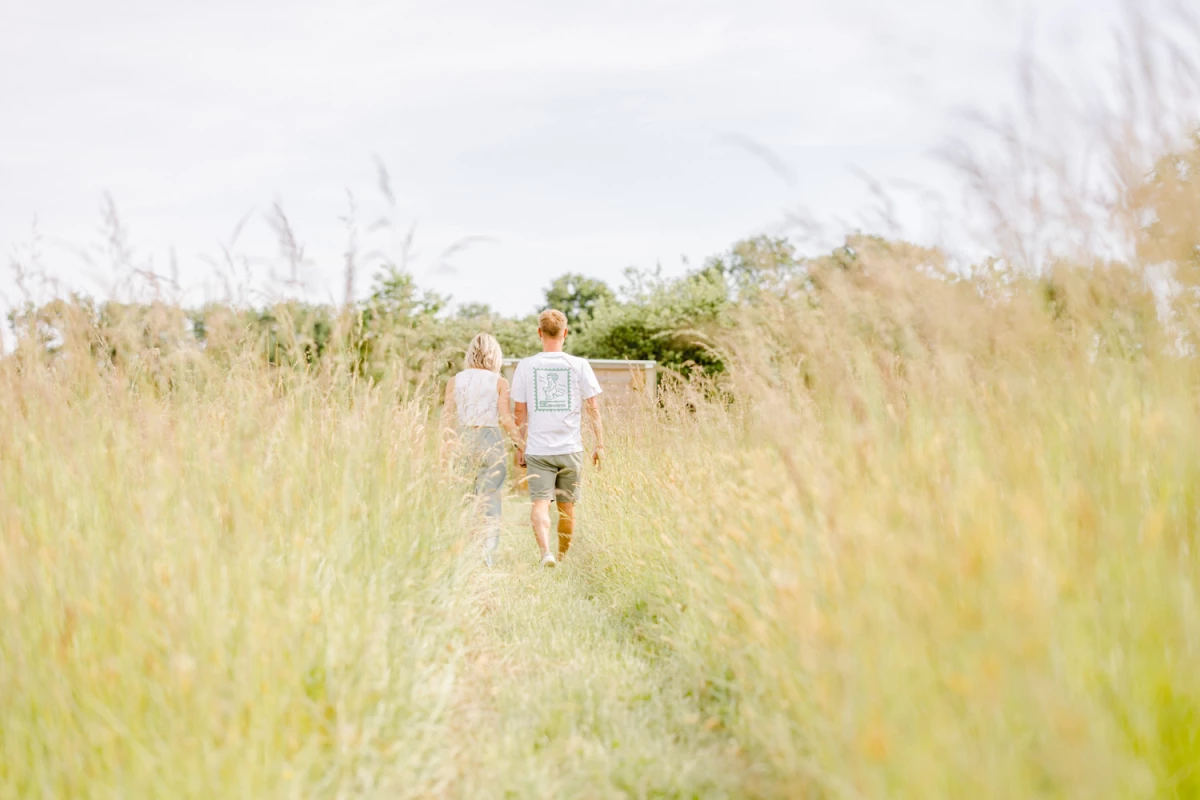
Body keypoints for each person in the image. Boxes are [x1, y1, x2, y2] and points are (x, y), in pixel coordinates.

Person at [511, 309, 606, 568]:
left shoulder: (526, 365)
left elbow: (520, 410)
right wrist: (599, 444)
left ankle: (546, 554)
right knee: (567, 508)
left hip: (538, 450)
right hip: (571, 449)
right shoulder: (579, 365)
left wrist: (519, 445)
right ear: (565, 332)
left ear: (540, 332)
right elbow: (593, 407)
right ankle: (562, 559)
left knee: (540, 503)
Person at [442, 333, 523, 567]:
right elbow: (506, 419)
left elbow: (446, 419)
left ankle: (463, 553)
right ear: (494, 355)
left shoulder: (454, 381)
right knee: (489, 501)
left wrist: (443, 450)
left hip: (463, 440)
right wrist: (521, 445)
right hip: (490, 440)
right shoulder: (499, 381)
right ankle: (485, 557)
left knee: (464, 500)